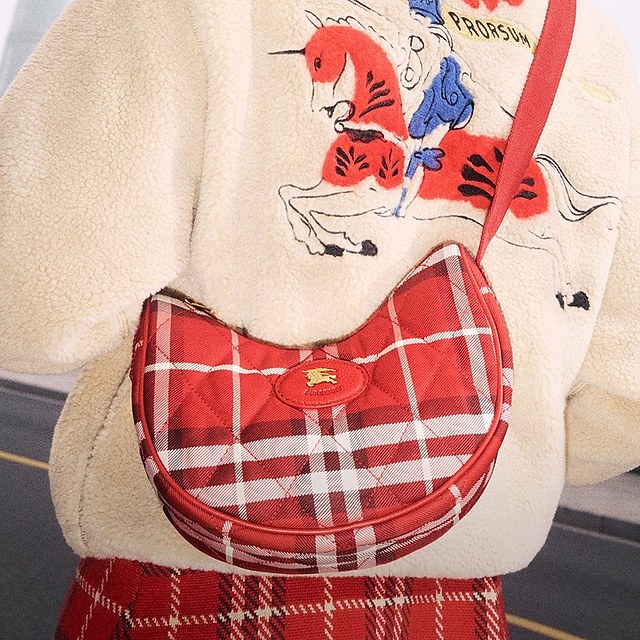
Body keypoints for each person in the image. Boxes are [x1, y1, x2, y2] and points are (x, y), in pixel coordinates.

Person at [0, 0, 638, 637]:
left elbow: (28, 309)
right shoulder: (595, 48)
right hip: (451, 612)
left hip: (182, 586)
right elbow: (617, 411)